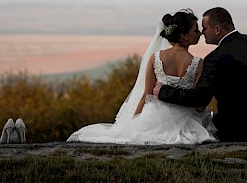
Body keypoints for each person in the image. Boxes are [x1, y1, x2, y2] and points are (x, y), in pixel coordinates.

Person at [67, 9, 217, 145]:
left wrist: (134, 121)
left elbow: (146, 95)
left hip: (155, 117)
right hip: (187, 120)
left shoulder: (156, 58)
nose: (200, 33)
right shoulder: (198, 63)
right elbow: (198, 106)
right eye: (196, 30)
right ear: (184, 36)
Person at [154, 7, 247, 142]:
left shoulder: (214, 58)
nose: (202, 33)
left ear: (217, 29)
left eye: (205, 28)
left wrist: (163, 91)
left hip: (237, 130)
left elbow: (199, 98)